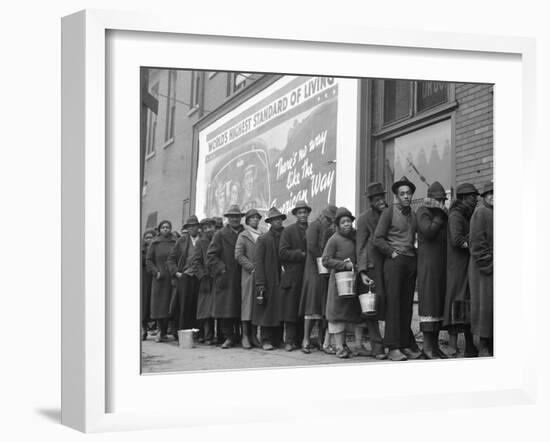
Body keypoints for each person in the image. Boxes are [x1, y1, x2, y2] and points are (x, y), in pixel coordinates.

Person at [374, 176, 422, 361]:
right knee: (393, 305)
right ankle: (393, 347)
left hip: (410, 261)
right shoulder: (389, 212)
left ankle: (405, 344)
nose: (406, 196)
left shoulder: (414, 215)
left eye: (408, 193)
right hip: (394, 262)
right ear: (396, 196)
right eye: (402, 194)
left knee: (406, 306)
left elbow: (417, 237)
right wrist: (392, 253)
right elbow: (377, 238)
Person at [443, 183, 479, 357]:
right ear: (464, 198)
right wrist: (475, 241)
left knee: (465, 304)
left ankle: (469, 346)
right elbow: (457, 240)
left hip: (466, 265)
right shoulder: (456, 215)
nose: (476, 200)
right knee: (459, 303)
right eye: (473, 197)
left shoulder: (467, 214)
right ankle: (454, 346)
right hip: (458, 267)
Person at [322, 207, 363, 359]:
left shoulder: (354, 237)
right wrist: (343, 265)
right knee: (336, 315)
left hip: (351, 282)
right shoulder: (333, 239)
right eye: (343, 222)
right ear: (338, 225)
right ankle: (339, 347)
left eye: (349, 221)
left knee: (346, 314)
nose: (347, 224)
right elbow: (325, 260)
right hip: (338, 283)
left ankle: (343, 344)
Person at [416, 181, 449, 359]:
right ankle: (427, 348)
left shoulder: (443, 213)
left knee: (437, 305)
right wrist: (439, 216)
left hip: (441, 265)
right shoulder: (423, 211)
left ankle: (434, 347)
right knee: (429, 303)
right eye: (438, 199)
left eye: (443, 200)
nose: (441, 203)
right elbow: (428, 232)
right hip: (428, 264)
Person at [356, 182, 388, 359]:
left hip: (389, 267)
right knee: (372, 307)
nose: (380, 201)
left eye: (382, 197)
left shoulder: (391, 214)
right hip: (372, 268)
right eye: (376, 199)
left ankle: (391, 343)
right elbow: (360, 246)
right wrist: (362, 271)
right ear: (371, 201)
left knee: (389, 305)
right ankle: (377, 346)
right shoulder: (364, 219)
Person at [299, 205, 337, 353]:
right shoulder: (314, 227)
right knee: (312, 305)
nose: (329, 222)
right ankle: (306, 340)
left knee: (323, 308)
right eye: (328, 219)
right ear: (322, 216)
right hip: (313, 271)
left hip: (325, 271)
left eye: (331, 220)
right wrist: (323, 260)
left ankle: (322, 341)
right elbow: (312, 247)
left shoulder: (329, 229)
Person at [207, 204, 245, 348]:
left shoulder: (245, 233)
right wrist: (221, 269)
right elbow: (211, 256)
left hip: (242, 274)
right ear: (228, 219)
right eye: (232, 217)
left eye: (237, 217)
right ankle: (228, 336)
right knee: (226, 308)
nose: (235, 219)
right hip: (226, 276)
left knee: (240, 307)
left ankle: (241, 336)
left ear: (241, 218)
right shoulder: (220, 234)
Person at [253, 207, 286, 350]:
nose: (277, 221)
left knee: (281, 310)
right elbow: (258, 262)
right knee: (267, 311)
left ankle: (279, 340)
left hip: (283, 278)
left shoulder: (287, 235)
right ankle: (266, 340)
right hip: (268, 278)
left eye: (279, 219)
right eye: (274, 220)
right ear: (270, 222)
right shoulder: (263, 239)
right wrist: (260, 282)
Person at [279, 200, 310, 351]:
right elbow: (282, 253)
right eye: (300, 212)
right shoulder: (289, 231)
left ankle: (301, 340)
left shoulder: (311, 230)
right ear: (296, 215)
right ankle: (289, 341)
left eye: (305, 212)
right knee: (291, 309)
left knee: (304, 309)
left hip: (307, 275)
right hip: (292, 276)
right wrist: (301, 254)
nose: (303, 215)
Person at [235, 209, 266, 349]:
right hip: (248, 275)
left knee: (257, 304)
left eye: (257, 218)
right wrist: (251, 267)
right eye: (252, 218)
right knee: (247, 304)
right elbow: (239, 255)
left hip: (261, 274)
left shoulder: (263, 234)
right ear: (247, 221)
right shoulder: (243, 235)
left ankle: (254, 336)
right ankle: (245, 336)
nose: (255, 220)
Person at [469, 182, 494, 357]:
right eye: (489, 194)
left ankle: (491, 345)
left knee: (493, 307)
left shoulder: (494, 212)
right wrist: (489, 265)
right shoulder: (481, 212)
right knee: (484, 306)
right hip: (483, 268)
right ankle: (483, 346)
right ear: (484, 197)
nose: (493, 196)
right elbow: (477, 244)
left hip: (493, 266)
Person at [166, 216, 202, 335]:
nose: (192, 229)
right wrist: (177, 273)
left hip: (201, 276)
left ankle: (198, 333)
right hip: (185, 277)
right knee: (184, 305)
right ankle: (183, 332)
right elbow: (170, 259)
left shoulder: (204, 239)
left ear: (198, 227)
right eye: (189, 227)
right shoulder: (181, 241)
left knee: (199, 305)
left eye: (194, 226)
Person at [146, 220, 177, 343]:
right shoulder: (155, 243)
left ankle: (172, 331)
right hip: (159, 278)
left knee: (171, 303)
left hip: (171, 277)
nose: (166, 229)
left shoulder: (175, 242)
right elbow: (149, 260)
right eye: (163, 227)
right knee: (159, 305)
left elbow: (178, 257)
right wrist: (156, 272)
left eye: (168, 227)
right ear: (159, 229)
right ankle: (160, 330)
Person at [191, 218, 217, 345]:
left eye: (210, 227)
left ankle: (221, 335)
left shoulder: (219, 239)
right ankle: (208, 336)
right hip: (206, 279)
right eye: (205, 228)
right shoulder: (200, 243)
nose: (208, 230)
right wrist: (202, 276)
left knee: (218, 308)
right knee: (206, 310)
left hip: (218, 277)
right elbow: (196, 261)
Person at [141, 229, 156, 340]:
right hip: (144, 278)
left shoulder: (156, 248)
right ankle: (143, 328)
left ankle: (157, 328)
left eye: (151, 237)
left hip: (155, 277)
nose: (149, 240)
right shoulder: (141, 251)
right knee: (144, 303)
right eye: (147, 238)